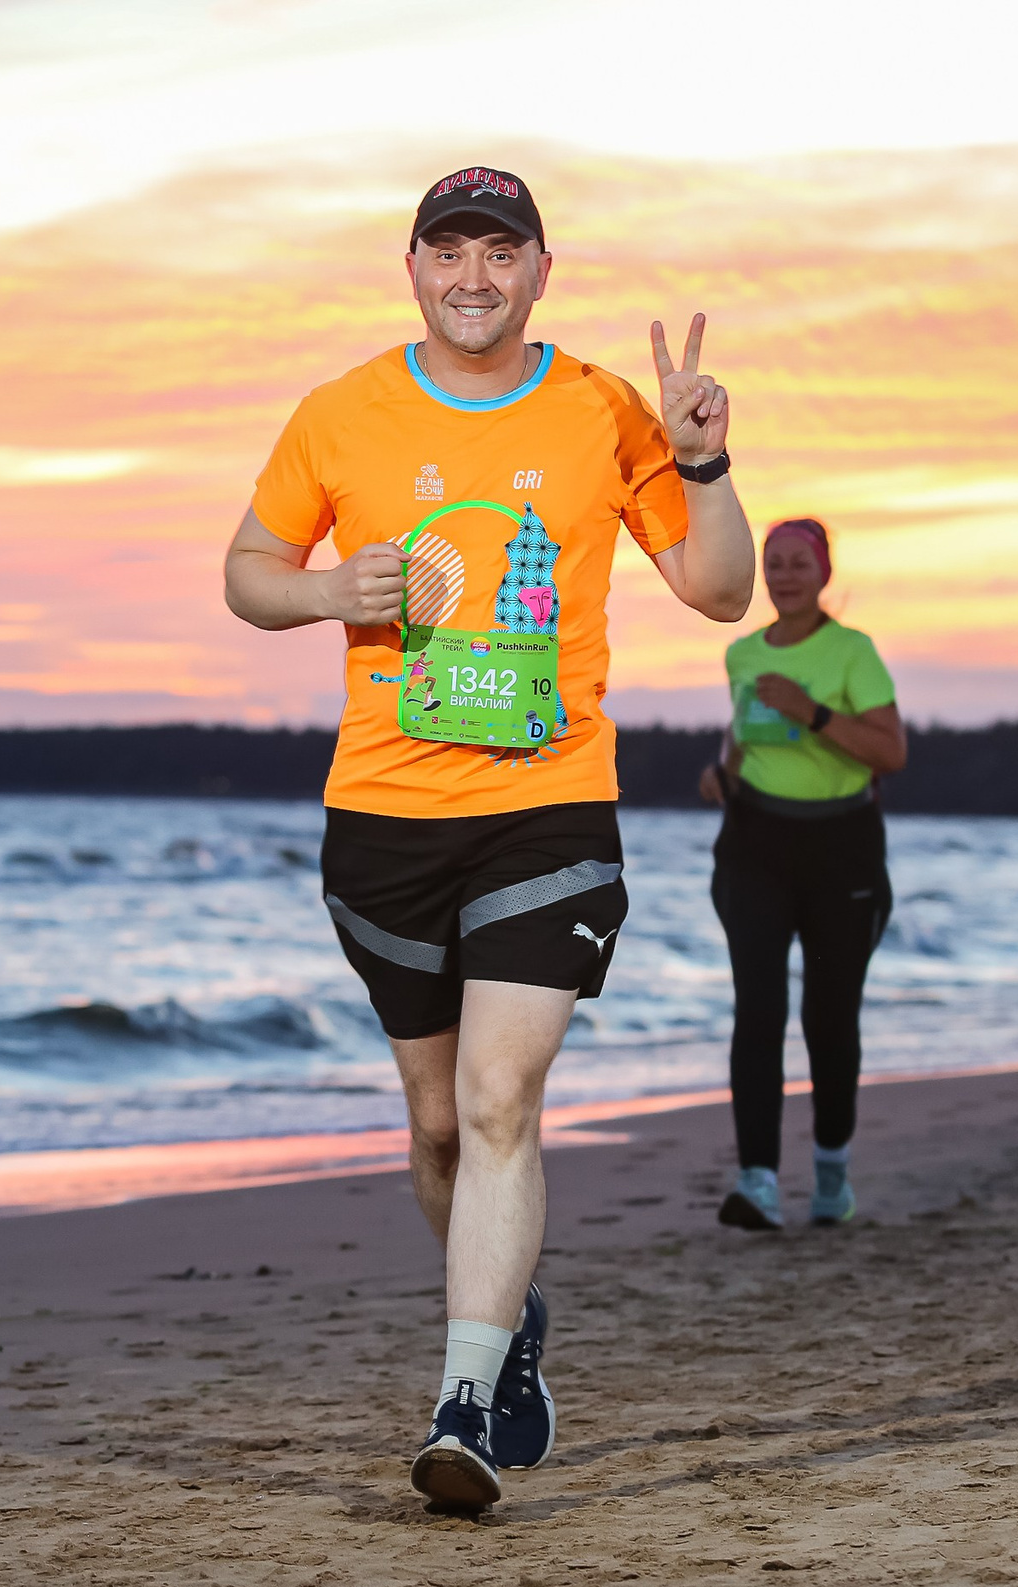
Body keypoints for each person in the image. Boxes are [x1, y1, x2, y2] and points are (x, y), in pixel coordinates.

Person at [221, 167, 754, 1511]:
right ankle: (507, 1319)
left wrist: (702, 460)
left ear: (540, 270)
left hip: (549, 809)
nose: (474, 276)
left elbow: (718, 588)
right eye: (449, 251)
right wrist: (326, 589)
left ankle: (462, 1405)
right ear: (411, 267)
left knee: (503, 1100)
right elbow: (245, 569)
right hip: (384, 818)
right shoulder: (340, 413)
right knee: (439, 1129)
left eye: (498, 253)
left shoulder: (602, 411)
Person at [697, 518, 906, 1231]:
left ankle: (830, 1175)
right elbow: (741, 729)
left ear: (823, 572)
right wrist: (722, 774)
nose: (785, 575)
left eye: (798, 563)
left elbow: (890, 752)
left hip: (841, 845)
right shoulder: (742, 653)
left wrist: (811, 711)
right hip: (755, 842)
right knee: (757, 1010)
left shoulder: (853, 652)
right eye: (773, 563)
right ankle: (756, 1182)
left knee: (828, 1016)